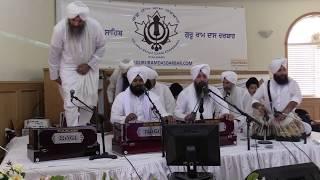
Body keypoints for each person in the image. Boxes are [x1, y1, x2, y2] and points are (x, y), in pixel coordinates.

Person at [48, 1, 106, 126]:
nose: (76, 24)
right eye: (73, 20)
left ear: (85, 20)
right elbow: (54, 53)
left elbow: (101, 47)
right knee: (70, 102)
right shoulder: (59, 29)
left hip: (90, 68)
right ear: (69, 18)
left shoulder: (95, 26)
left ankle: (83, 129)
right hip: (68, 68)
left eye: (80, 21)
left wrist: (89, 64)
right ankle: (73, 132)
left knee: (89, 101)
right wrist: (54, 75)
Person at [252, 58, 311, 138]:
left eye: (284, 70)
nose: (283, 72)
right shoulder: (265, 85)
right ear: (274, 72)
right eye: (279, 70)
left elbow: (297, 97)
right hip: (270, 119)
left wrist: (285, 112)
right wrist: (259, 106)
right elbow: (254, 99)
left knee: (307, 129)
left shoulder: (292, 83)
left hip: (288, 116)